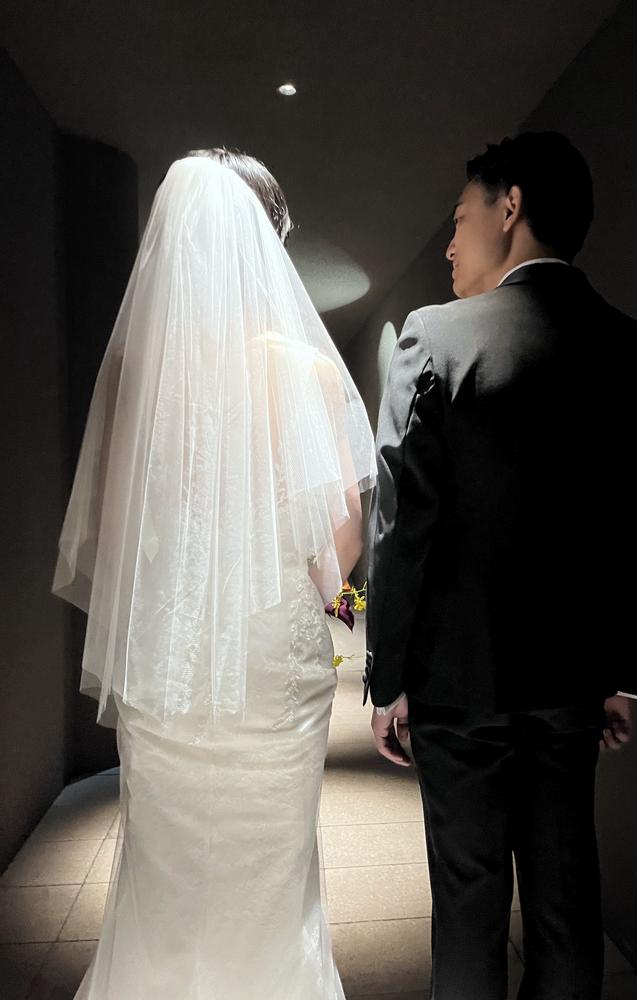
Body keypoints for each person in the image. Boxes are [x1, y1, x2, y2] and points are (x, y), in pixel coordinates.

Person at [364, 131, 637, 1000]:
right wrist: (624, 675)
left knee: (467, 906)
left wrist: (388, 678)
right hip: (576, 685)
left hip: (455, 685)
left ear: (509, 207)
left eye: (459, 218)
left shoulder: (436, 340)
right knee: (565, 906)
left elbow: (402, 528)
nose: (450, 244)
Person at [53, 148, 376, 999]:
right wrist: (342, 608)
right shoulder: (305, 370)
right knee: (271, 866)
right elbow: (339, 544)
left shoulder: (139, 373)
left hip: (168, 647)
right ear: (269, 245)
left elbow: (116, 534)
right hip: (274, 654)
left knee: (166, 868)